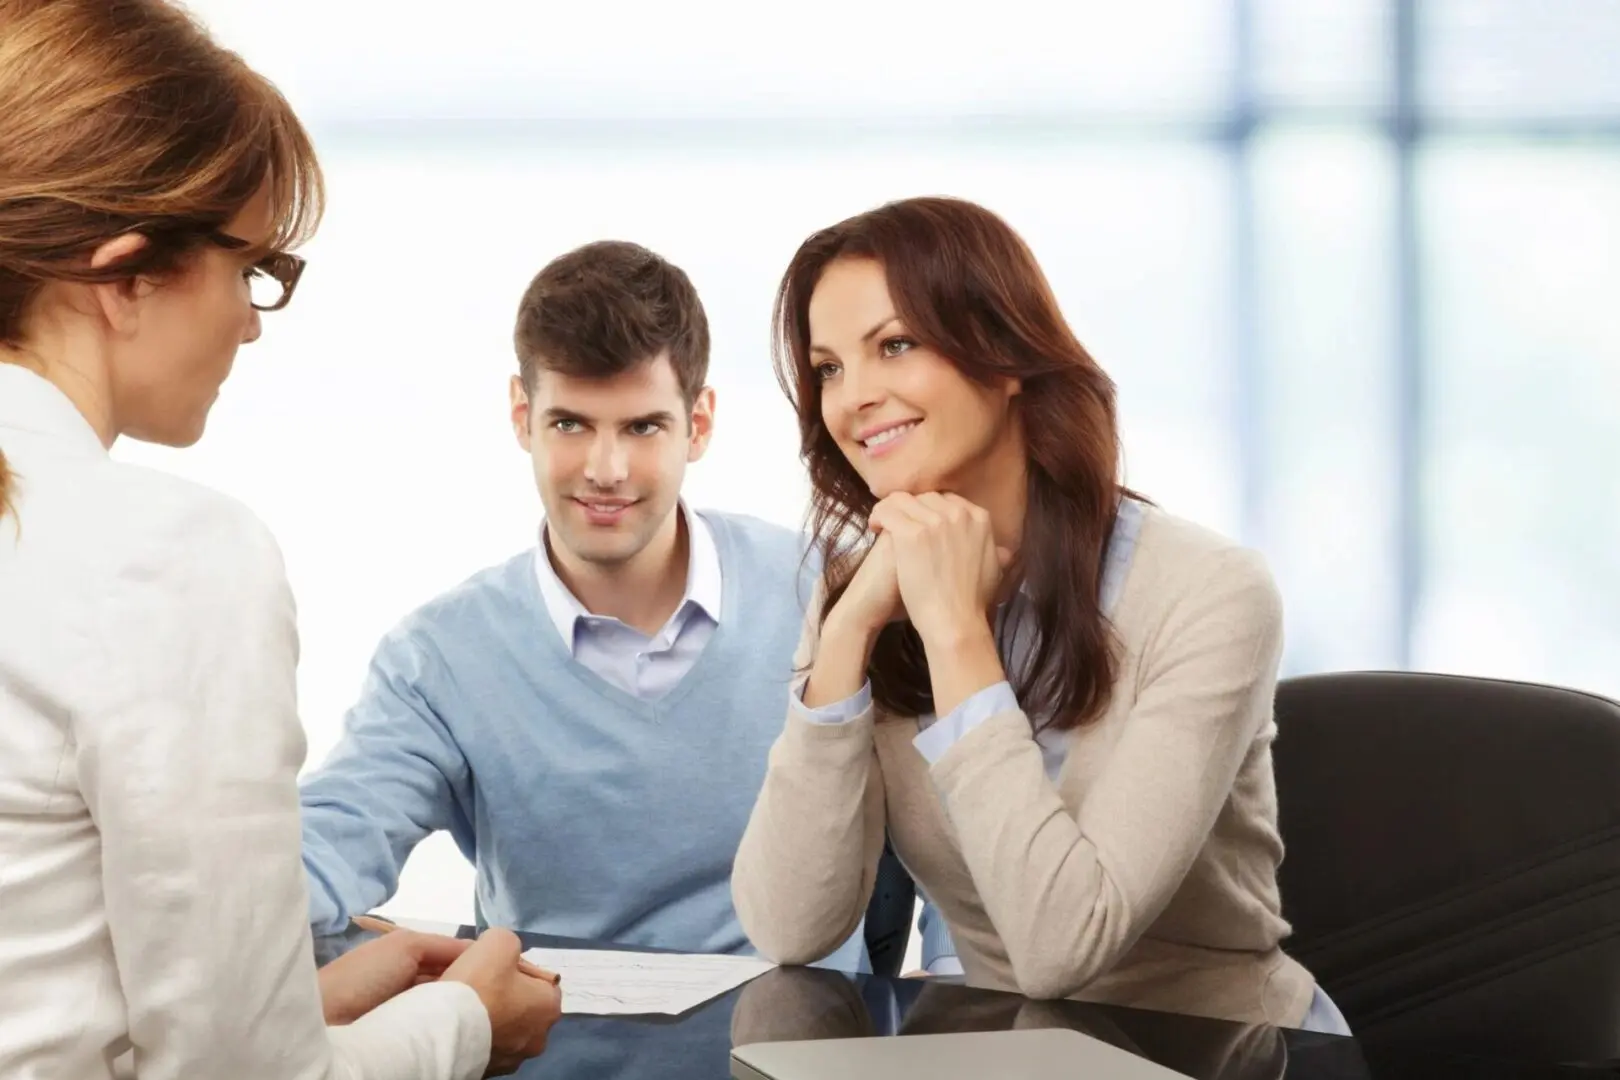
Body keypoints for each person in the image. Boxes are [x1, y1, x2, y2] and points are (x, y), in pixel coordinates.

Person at [0, 2, 558, 1077]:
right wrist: (472, 1022)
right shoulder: (167, 557)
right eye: (254, 269)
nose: (252, 321)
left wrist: (308, 1005)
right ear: (127, 276)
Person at [731, 195, 1352, 1035]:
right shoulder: (867, 590)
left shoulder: (1211, 593)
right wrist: (844, 634)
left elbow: (1063, 948)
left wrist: (956, 634)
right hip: (1008, 1050)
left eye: (896, 345)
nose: (852, 399)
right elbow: (791, 927)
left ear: (1004, 354)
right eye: (830, 368)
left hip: (1216, 1050)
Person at [297, 240, 868, 973]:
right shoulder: (440, 657)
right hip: (556, 1052)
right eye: (570, 424)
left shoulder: (822, 591)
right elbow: (338, 835)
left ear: (698, 425)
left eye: (642, 427)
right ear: (521, 416)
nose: (606, 472)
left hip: (794, 1053)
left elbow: (943, 833)